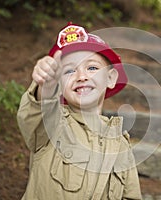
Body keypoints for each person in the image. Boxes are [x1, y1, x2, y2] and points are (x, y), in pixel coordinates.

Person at [17, 22, 142, 200]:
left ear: (110, 78)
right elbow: (35, 113)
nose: (81, 76)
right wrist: (45, 87)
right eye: (69, 71)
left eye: (92, 67)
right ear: (58, 84)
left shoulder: (121, 144)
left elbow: (131, 196)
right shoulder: (52, 127)